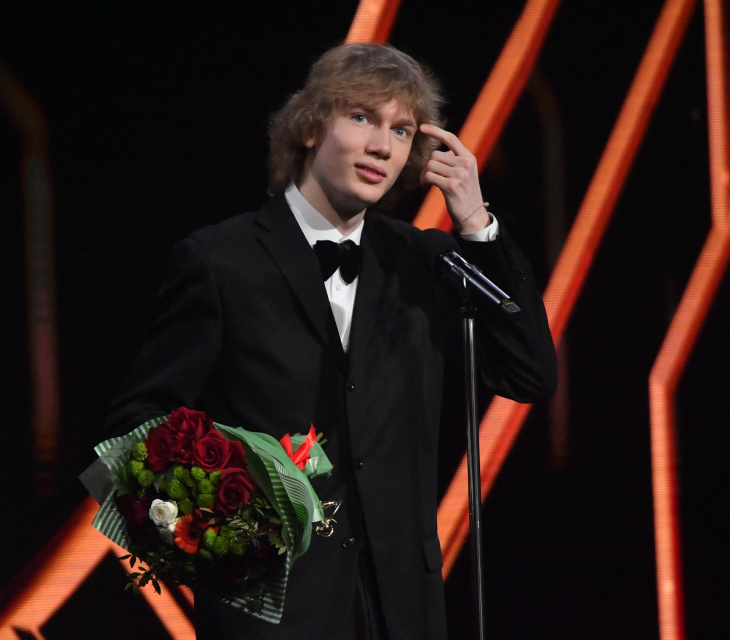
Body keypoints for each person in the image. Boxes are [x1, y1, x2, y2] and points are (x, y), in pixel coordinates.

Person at [104, 43, 557, 640]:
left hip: (403, 609)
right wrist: (221, 544)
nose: (382, 146)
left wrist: (477, 226)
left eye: (401, 130)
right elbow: (136, 423)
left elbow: (529, 374)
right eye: (362, 117)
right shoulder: (220, 261)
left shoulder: (424, 260)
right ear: (312, 126)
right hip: (272, 614)